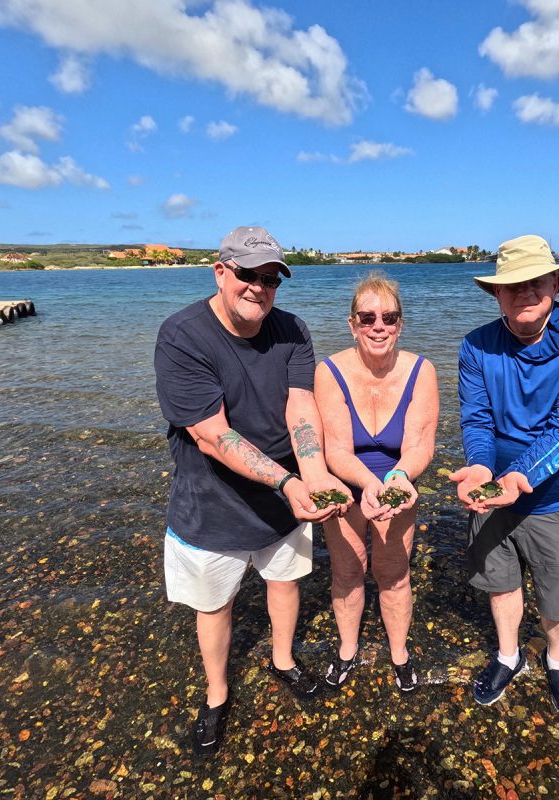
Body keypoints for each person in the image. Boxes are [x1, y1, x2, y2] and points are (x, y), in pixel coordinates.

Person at [154, 225, 351, 757]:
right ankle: (217, 694)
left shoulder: (291, 329)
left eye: (270, 279)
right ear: (221, 272)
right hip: (210, 498)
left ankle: (282, 659)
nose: (259, 287)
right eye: (247, 275)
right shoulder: (183, 336)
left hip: (284, 495)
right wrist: (289, 481)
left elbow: (300, 406)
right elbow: (211, 435)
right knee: (214, 604)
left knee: (284, 582)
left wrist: (312, 473)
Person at [449, 234, 559, 722]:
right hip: (492, 494)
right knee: (501, 582)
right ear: (496, 293)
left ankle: (556, 661)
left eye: (535, 281)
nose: (525, 292)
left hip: (555, 498)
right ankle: (508, 655)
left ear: (555, 283)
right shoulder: (475, 346)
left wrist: (518, 476)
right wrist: (480, 467)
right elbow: (476, 419)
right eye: (512, 285)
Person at [314, 272, 439, 693]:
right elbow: (335, 451)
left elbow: (420, 444)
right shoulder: (329, 371)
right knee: (348, 572)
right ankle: (348, 649)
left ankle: (399, 653)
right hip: (347, 486)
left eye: (389, 317)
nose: (378, 326)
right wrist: (369, 485)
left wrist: (399, 478)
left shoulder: (421, 371)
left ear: (400, 323)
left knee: (394, 573)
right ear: (352, 324)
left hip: (399, 486)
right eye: (367, 318)